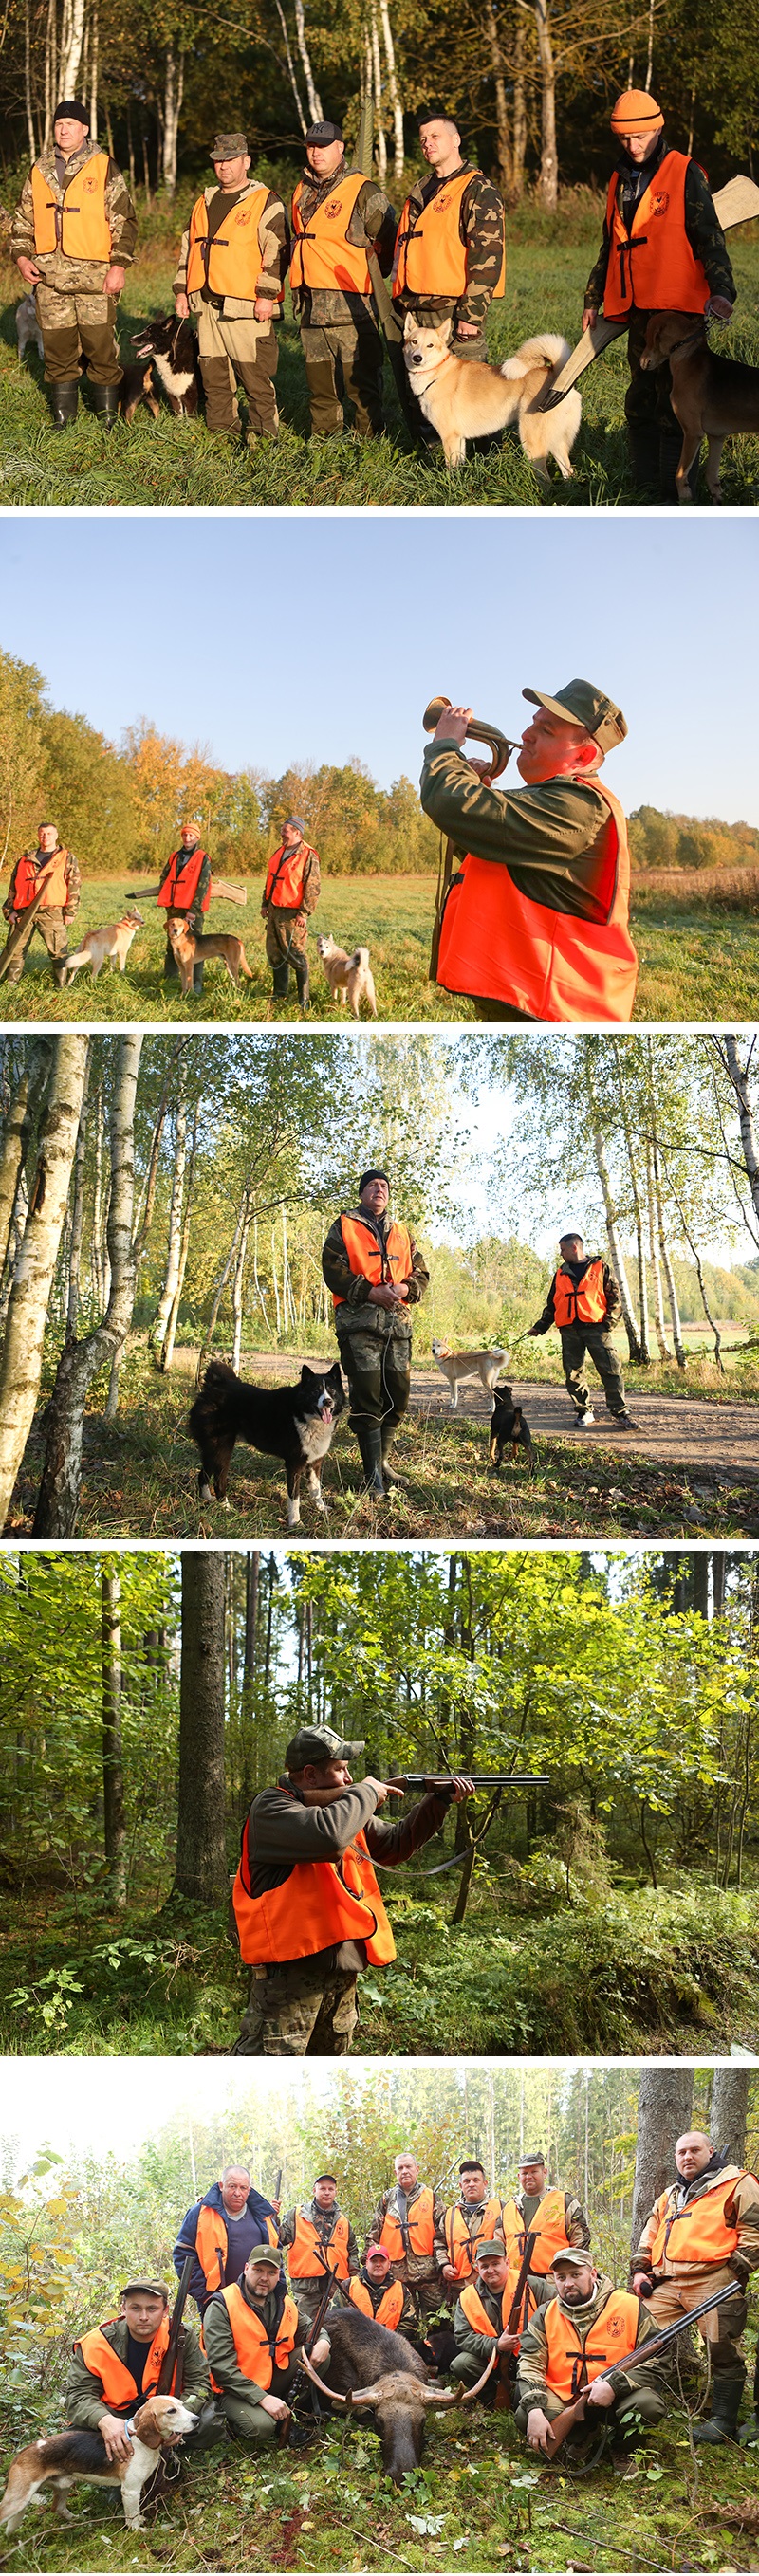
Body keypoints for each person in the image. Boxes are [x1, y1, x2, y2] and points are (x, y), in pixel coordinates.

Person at [231, 1722, 473, 2056]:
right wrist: (368, 1792)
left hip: (341, 1977)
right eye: (341, 1770)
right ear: (311, 1775)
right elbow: (328, 1837)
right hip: (289, 1981)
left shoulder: (343, 1810)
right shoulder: (271, 1808)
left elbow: (395, 1844)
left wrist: (439, 1802)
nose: (348, 1779)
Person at [420, 680, 638, 1024]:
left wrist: (445, 746)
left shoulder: (578, 805)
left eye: (546, 730)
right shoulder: (555, 800)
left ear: (583, 756)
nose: (526, 734)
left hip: (554, 1005)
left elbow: (448, 802)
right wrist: (475, 793)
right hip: (530, 997)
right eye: (534, 722)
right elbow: (499, 864)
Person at [583, 90, 736, 501]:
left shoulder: (685, 171)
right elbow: (610, 245)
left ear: (659, 127)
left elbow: (710, 236)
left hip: (679, 314)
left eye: (641, 136)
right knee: (639, 400)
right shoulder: (618, 179)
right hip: (636, 311)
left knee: (678, 407)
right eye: (625, 139)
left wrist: (722, 290)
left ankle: (674, 491)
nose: (633, 146)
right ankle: (644, 486)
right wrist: (592, 298)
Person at [11, 97, 137, 429]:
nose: (63, 129)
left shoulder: (103, 165)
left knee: (100, 347)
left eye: (70, 124)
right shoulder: (38, 170)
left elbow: (124, 220)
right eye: (58, 124)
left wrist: (118, 266)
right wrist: (22, 258)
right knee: (57, 348)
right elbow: (23, 223)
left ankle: (108, 418)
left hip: (96, 279)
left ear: (84, 129)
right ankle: (63, 418)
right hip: (49, 279)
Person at [631, 2127, 759, 2445]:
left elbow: (754, 2230)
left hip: (714, 2279)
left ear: (711, 2152)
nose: (687, 2157)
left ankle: (723, 2419)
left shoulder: (736, 2183)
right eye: (681, 2152)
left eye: (694, 2151)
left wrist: (733, 2273)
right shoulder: (671, 2194)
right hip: (667, 2282)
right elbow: (650, 2233)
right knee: (637, 2334)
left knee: (721, 2348)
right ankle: (639, 2403)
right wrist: (640, 2270)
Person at [174, 132, 288, 446]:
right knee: (214, 377)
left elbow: (276, 252)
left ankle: (263, 438)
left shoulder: (265, 201)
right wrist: (182, 291)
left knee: (254, 378)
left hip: (246, 306)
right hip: (206, 305)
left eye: (230, 160)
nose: (223, 166)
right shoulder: (204, 201)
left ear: (246, 162)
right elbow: (188, 250)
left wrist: (266, 297)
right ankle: (222, 435)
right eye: (218, 161)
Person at [322, 1168, 429, 1497]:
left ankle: (382, 1463)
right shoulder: (345, 1226)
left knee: (398, 1396)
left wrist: (405, 1287)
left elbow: (421, 1273)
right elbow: (333, 1269)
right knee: (368, 1398)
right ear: (362, 1193)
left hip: (398, 1326)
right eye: (373, 1185)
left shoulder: (402, 1231)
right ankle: (371, 1478)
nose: (379, 1190)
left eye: (384, 1186)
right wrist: (369, 1292)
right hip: (359, 1324)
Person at [289, 119, 396, 438]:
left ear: (340, 148)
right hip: (310, 305)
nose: (316, 153)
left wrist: (377, 277)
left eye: (323, 146)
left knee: (360, 382)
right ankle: (325, 436)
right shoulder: (301, 189)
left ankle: (369, 439)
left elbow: (389, 237)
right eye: (311, 146)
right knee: (319, 382)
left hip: (352, 307)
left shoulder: (363, 190)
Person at [515, 2249, 666, 2459]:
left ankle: (623, 2449)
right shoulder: (545, 2313)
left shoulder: (629, 2306)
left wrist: (614, 2386)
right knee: (526, 2414)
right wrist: (534, 2409)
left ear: (593, 2274)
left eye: (575, 2274)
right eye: (561, 2277)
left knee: (648, 2406)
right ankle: (582, 2436)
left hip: (619, 2395)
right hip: (566, 2397)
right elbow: (530, 2362)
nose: (568, 2283)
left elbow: (659, 2359)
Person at [393, 107, 506, 367]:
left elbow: (487, 257)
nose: (427, 144)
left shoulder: (477, 188)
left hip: (453, 311)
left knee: (463, 395)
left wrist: (472, 314)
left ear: (456, 140)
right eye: (423, 139)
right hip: (414, 306)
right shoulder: (421, 188)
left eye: (435, 136)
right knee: (419, 396)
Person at [65, 2276, 212, 2461]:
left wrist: (179, 2416)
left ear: (165, 2310)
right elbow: (78, 2395)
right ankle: (118, 2470)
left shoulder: (182, 2336)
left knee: (208, 2423)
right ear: (123, 2308)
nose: (144, 2317)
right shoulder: (96, 2343)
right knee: (77, 2437)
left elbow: (199, 2384)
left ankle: (168, 2454)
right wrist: (105, 2421)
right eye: (135, 2308)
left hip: (165, 2413)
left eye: (152, 2309)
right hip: (116, 2415)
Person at [527, 1229, 636, 1431]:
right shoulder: (560, 1273)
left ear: (574, 1247)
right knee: (573, 1372)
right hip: (569, 1330)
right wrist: (540, 1327)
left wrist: (608, 1324)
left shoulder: (600, 1267)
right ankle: (584, 1411)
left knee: (611, 1370)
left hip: (596, 1328)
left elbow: (615, 1298)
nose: (560, 1254)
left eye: (563, 1249)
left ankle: (621, 1413)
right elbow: (553, 1303)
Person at [203, 2243, 308, 2446]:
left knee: (316, 2355)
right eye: (258, 2270)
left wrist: (323, 2341)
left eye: (271, 2272)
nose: (264, 2278)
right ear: (246, 2269)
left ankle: (287, 2409)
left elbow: (310, 2327)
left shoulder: (281, 2300)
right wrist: (263, 2399)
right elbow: (221, 2368)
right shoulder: (221, 2304)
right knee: (262, 2427)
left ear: (278, 2275)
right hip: (231, 2388)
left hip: (267, 2377)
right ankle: (233, 2421)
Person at [173, 2163, 281, 2315]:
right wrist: (205, 2296)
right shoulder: (200, 2213)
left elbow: (276, 2253)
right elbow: (183, 2255)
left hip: (259, 2300)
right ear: (221, 2186)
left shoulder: (262, 2215)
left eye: (243, 2188)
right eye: (232, 2186)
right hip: (216, 2300)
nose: (238, 2193)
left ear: (249, 2190)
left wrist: (279, 2292)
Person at [450, 2239, 548, 2393]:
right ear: (477, 2268)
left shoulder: (532, 2285)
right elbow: (463, 2337)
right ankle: (493, 2398)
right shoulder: (467, 2297)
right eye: (484, 2266)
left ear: (507, 2262)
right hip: (494, 2359)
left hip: (533, 2357)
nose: (490, 2270)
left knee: (521, 2404)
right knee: (461, 2364)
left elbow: (558, 2311)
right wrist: (496, 2345)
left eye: (495, 2263)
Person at [2, 821, 81, 986]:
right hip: (24, 911)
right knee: (15, 949)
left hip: (51, 911)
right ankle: (10, 984)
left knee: (58, 950)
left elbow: (74, 884)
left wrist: (70, 911)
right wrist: (9, 910)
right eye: (42, 833)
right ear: (38, 835)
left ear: (56, 835)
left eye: (49, 833)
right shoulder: (25, 859)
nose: (45, 836)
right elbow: (14, 887)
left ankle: (61, 987)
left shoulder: (66, 857)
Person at [370, 2151, 445, 2326]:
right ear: (396, 2173)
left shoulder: (431, 2197)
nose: (405, 2171)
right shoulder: (386, 2199)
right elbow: (374, 2234)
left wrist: (442, 2265)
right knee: (403, 2324)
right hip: (397, 2276)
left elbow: (443, 2236)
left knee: (439, 2323)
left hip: (429, 2274)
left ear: (417, 2169)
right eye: (400, 2168)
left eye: (408, 2167)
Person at [280, 2173, 360, 2328]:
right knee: (305, 2328)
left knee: (338, 2328)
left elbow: (352, 2252)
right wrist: (272, 2218)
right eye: (322, 2188)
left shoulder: (343, 2221)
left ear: (335, 2192)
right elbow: (280, 2239)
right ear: (314, 2190)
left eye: (331, 2189)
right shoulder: (296, 2215)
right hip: (306, 2288)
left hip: (336, 2286)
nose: (327, 2192)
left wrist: (354, 2280)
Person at [261, 816, 321, 1014]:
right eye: (282, 829)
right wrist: (265, 904)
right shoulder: (279, 852)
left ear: (297, 832)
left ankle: (304, 999)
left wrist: (304, 912)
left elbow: (312, 887)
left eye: (285, 830)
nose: (282, 833)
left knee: (295, 953)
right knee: (275, 954)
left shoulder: (308, 855)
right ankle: (280, 994)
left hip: (293, 914)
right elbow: (270, 880)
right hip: (274, 910)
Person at [501, 2152, 591, 2276]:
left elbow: (581, 2240)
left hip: (554, 2278)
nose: (529, 2176)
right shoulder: (509, 2208)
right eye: (525, 2173)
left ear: (544, 2172)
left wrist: (572, 2274)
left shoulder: (564, 2201)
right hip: (515, 2279)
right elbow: (499, 2244)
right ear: (518, 2176)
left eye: (534, 2171)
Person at [157, 819, 213, 995]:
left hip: (191, 910)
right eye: (185, 835)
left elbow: (203, 885)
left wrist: (193, 911)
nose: (187, 838)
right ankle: (171, 980)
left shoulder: (203, 857)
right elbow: (165, 877)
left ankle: (195, 985)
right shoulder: (175, 856)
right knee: (172, 945)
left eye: (191, 835)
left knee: (194, 947)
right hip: (174, 908)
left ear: (197, 838)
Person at [435, 2161, 506, 2292]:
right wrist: (444, 2265)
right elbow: (439, 2243)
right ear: (461, 2185)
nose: (471, 2184)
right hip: (459, 2284)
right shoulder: (449, 2214)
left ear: (484, 2184)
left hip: (492, 2282)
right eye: (467, 2181)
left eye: (476, 2180)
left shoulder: (501, 2208)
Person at [347, 2241, 408, 2331]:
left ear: (389, 2264)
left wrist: (392, 2341)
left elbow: (409, 2324)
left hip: (390, 2343)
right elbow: (336, 2319)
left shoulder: (401, 2290)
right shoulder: (348, 2286)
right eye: (374, 2261)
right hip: (354, 2343)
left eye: (382, 2261)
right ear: (367, 2263)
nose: (378, 2264)